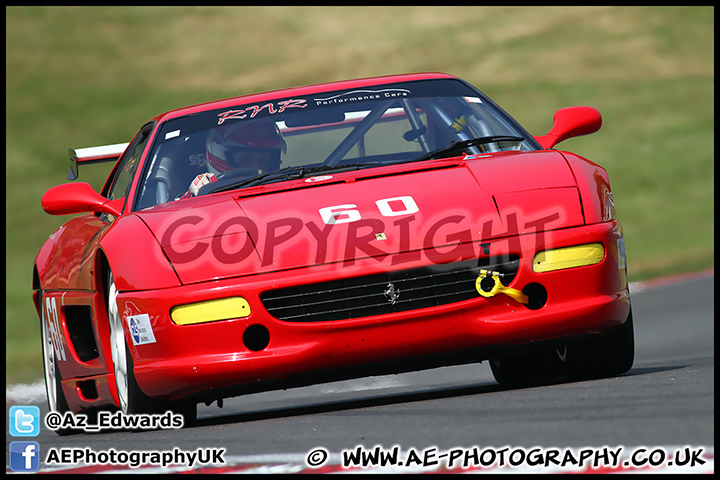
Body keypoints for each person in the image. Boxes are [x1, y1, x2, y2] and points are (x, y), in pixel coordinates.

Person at [182, 119, 287, 198]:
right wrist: (193, 195)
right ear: (219, 156)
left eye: (263, 161)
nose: (255, 168)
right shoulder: (202, 191)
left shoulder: (285, 189)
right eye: (246, 160)